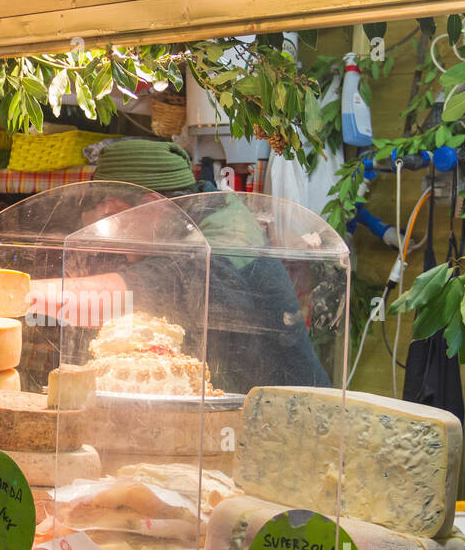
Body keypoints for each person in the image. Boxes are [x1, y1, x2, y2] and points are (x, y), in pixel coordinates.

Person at [24, 138, 332, 392]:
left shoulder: (224, 245)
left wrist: (16, 292)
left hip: (290, 432)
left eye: (115, 219)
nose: (111, 239)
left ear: (151, 204)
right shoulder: (183, 224)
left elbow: (139, 290)